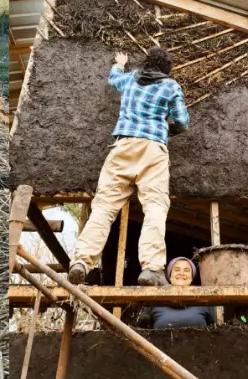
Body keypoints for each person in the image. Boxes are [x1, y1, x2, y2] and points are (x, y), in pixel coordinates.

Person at [67, 48, 188, 288]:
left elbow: (114, 79)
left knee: (104, 205)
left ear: (146, 63)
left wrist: (119, 64)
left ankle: (81, 261)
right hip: (152, 149)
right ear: (167, 69)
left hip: (122, 146)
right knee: (154, 205)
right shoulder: (170, 86)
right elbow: (182, 122)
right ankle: (151, 267)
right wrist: (167, 130)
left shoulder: (131, 78)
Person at [142, 258, 214, 329]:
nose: (181, 273)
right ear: (170, 276)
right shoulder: (154, 301)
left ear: (192, 277)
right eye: (177, 270)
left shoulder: (204, 302)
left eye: (186, 270)